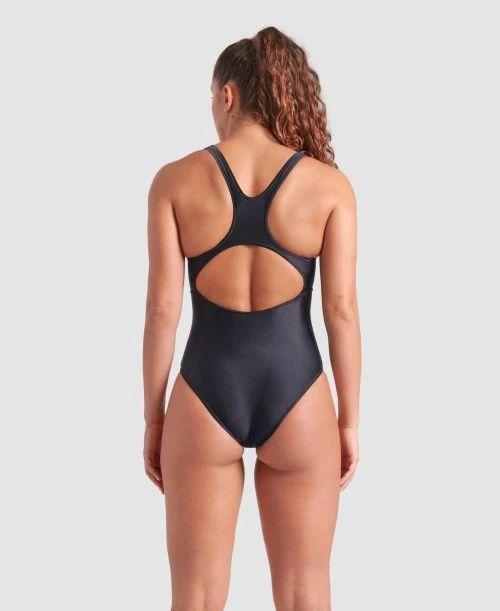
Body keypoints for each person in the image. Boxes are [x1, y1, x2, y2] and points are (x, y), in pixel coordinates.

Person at [143, 26, 361, 610]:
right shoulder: (329, 187)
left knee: (195, 597)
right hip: (299, 391)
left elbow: (163, 310)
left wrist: (154, 418)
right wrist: (347, 422)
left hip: (204, 393)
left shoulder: (174, 181)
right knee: (305, 593)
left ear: (229, 95)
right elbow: (341, 311)